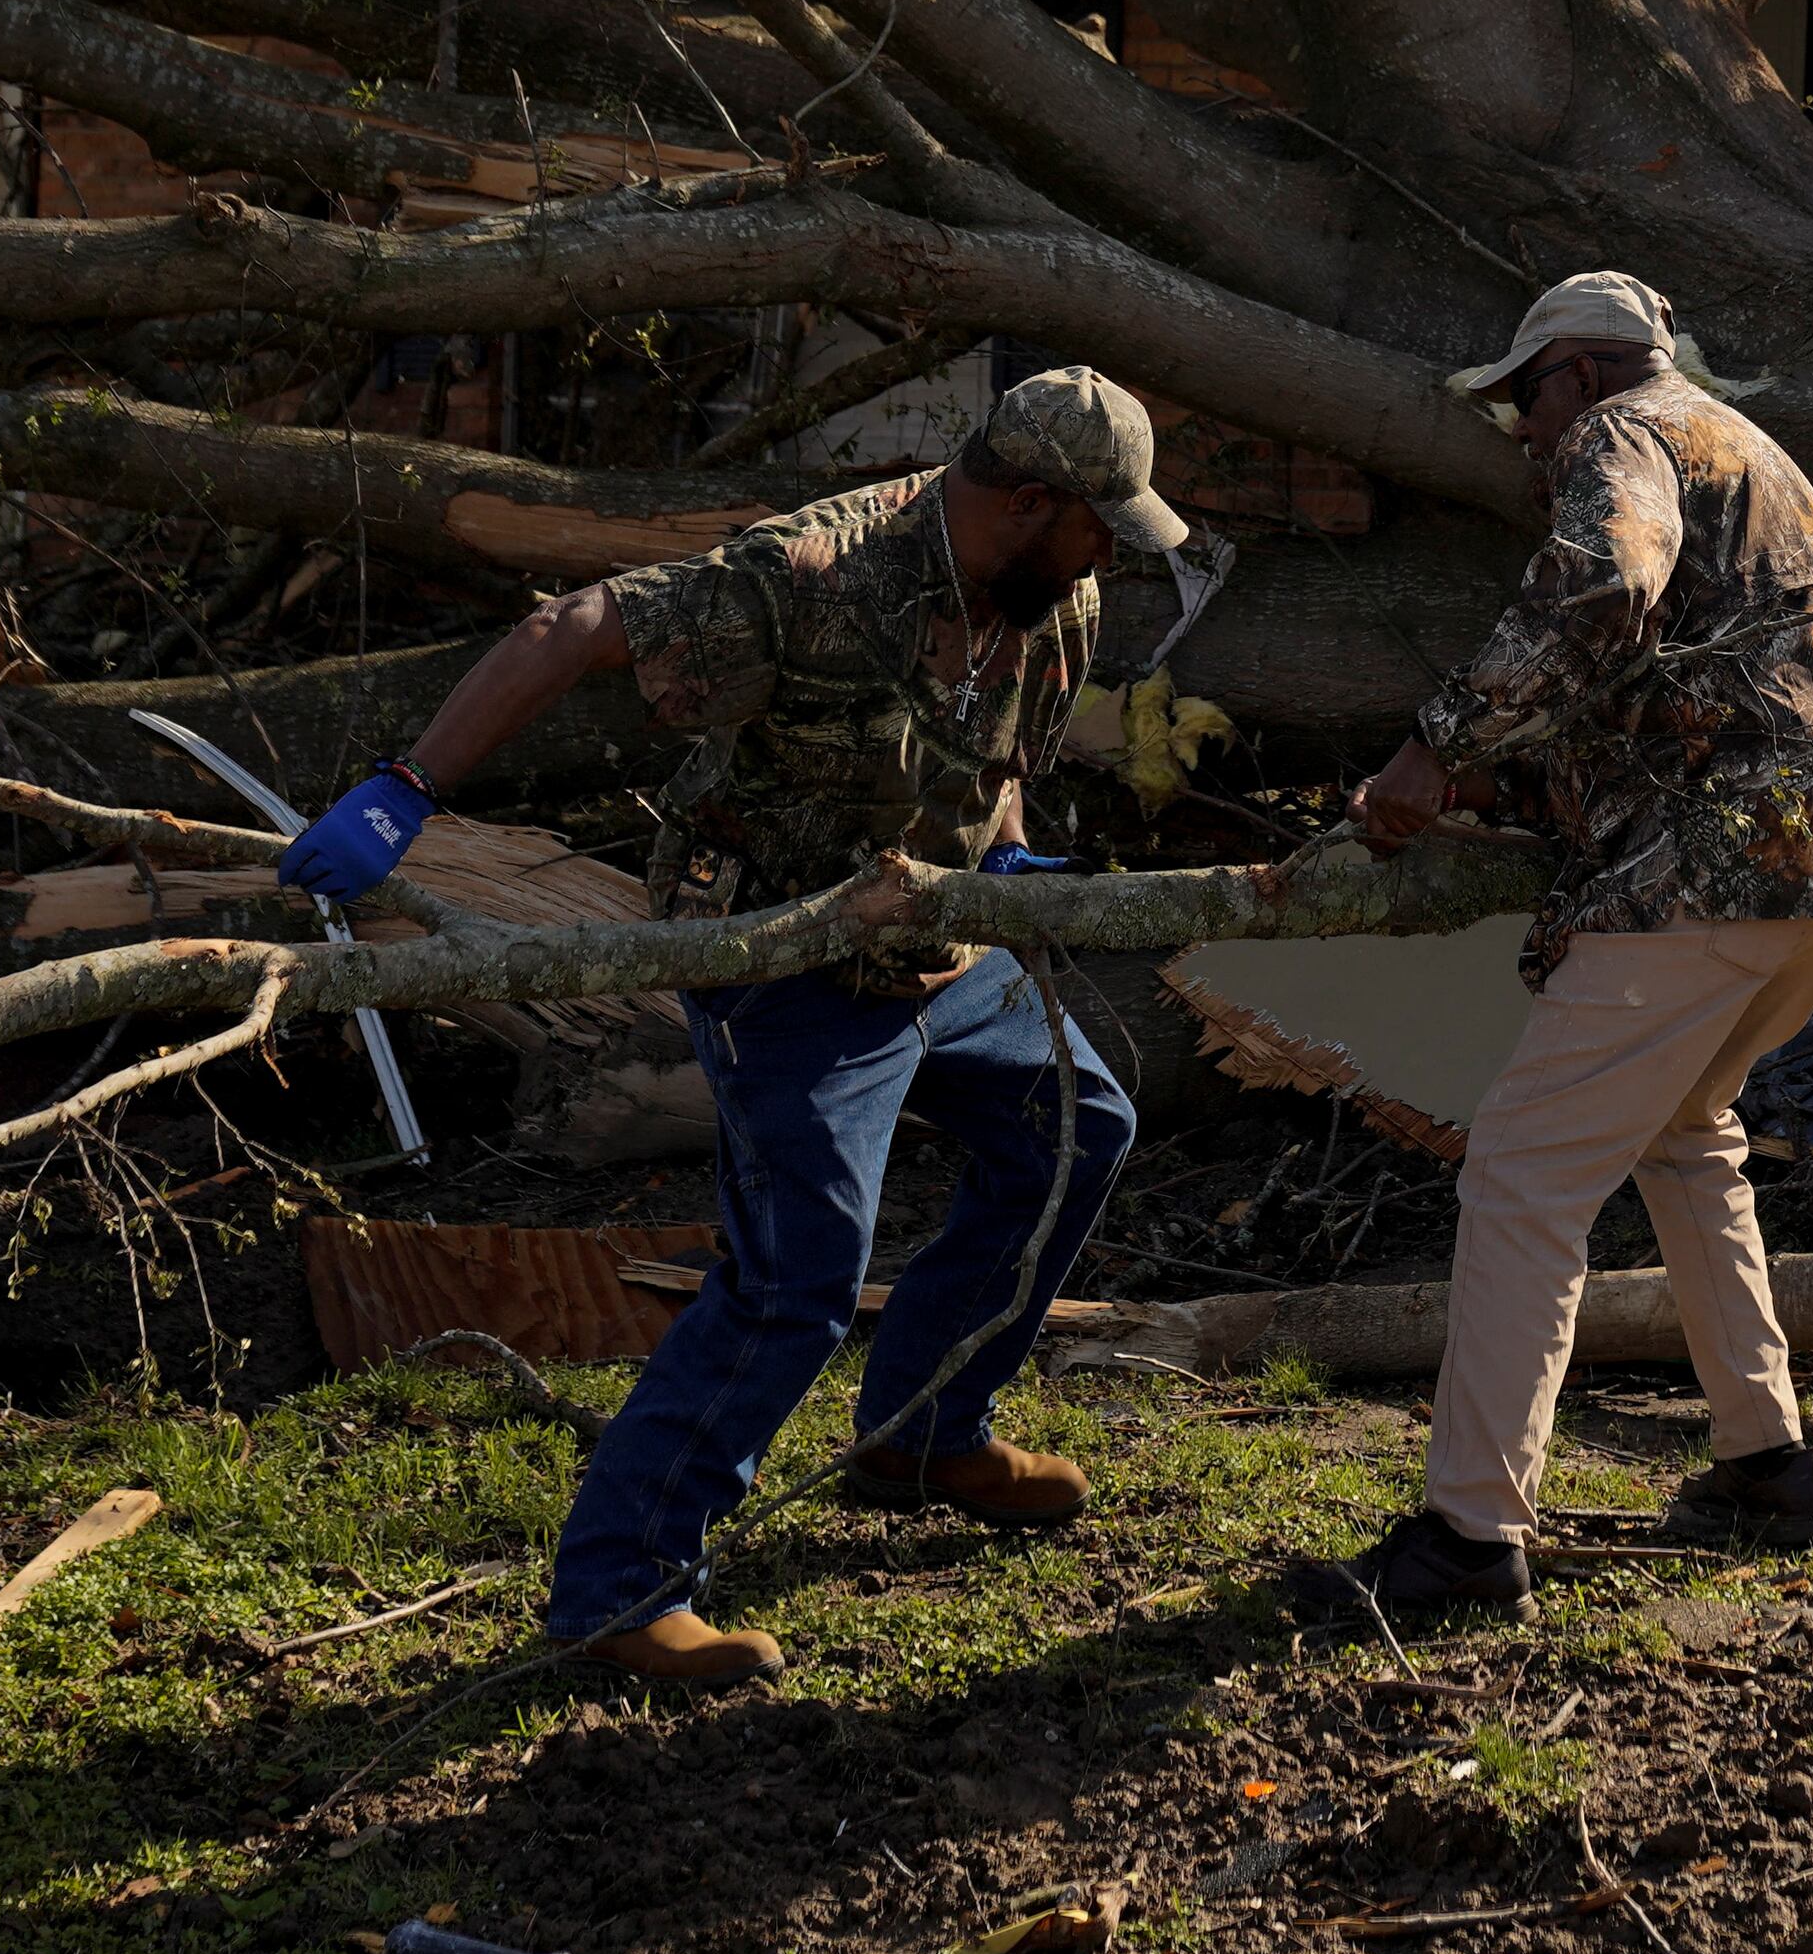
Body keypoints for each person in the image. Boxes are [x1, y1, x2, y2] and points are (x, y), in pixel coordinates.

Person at [274, 366, 1179, 1688]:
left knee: (1078, 1126)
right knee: (799, 1274)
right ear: (1034, 499)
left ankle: (926, 1430)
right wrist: (406, 788)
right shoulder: (813, 573)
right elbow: (573, 625)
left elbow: (1001, 764)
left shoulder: (1063, 598)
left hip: (945, 936)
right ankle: (619, 1588)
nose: (1117, 553)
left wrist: (1009, 861)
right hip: (784, 952)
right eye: (1103, 520)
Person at [1288, 272, 1813, 1620]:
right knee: (1687, 1128)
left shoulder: (1629, 432)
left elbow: (1601, 581)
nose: (1524, 435)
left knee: (1524, 1167)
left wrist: (1437, 743)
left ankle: (1467, 1541)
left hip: (1738, 852)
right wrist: (1482, 792)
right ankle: (1769, 1463)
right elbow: (1682, 699)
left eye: (1528, 397)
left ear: (1581, 373)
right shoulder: (1743, 454)